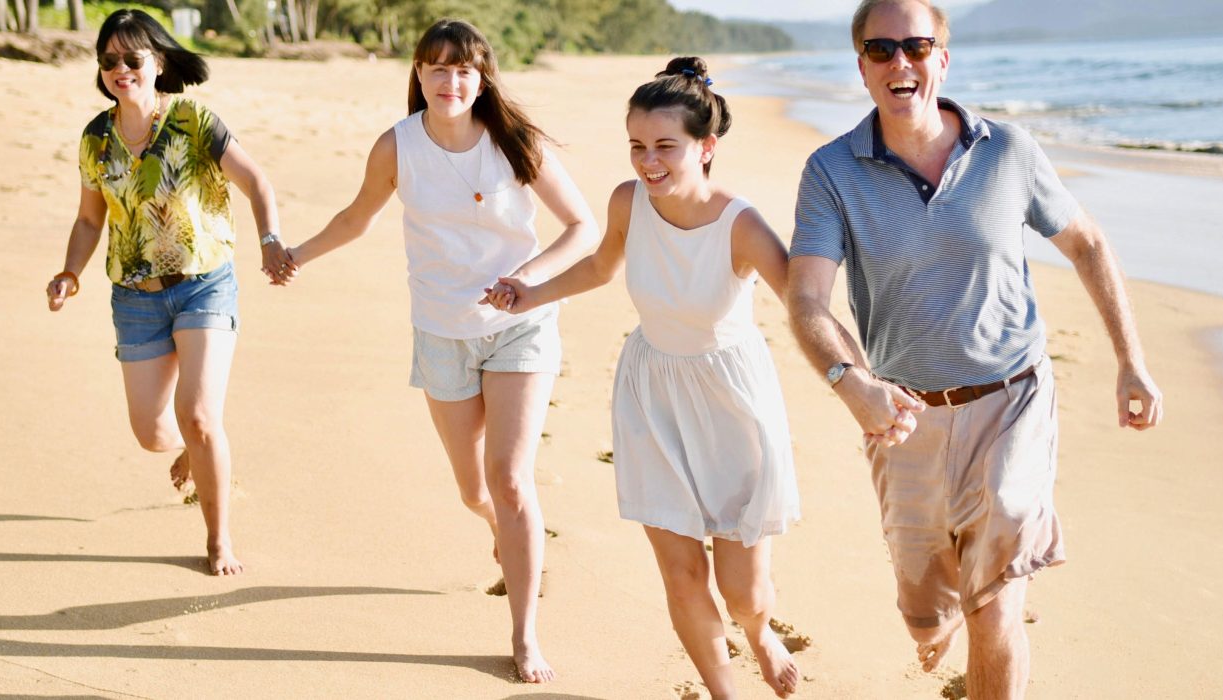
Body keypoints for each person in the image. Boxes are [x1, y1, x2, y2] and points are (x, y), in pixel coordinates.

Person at [786, 1, 1164, 697]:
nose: (901, 62)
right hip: (901, 416)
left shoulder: (1008, 152)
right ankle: (938, 623)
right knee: (925, 614)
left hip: (1011, 399)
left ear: (943, 59)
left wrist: (1130, 360)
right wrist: (851, 381)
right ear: (863, 68)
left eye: (917, 46)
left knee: (996, 602)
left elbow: (1087, 243)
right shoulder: (831, 171)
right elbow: (806, 300)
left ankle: (995, 606)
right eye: (880, 50)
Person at [275, 19, 597, 683]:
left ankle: (524, 633)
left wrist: (527, 281)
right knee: (473, 491)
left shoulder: (514, 142)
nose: (451, 81)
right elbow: (356, 217)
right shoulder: (398, 146)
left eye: (464, 70)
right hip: (441, 330)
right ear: (418, 75)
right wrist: (297, 256)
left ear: (482, 79)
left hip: (519, 325)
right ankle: (501, 531)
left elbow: (581, 225)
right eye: (437, 68)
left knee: (510, 480)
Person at [486, 57, 802, 699]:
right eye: (636, 146)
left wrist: (864, 379)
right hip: (652, 392)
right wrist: (532, 292)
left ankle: (761, 632)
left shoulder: (741, 224)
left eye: (665, 147)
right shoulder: (629, 201)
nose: (647, 161)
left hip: (732, 402)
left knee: (742, 590)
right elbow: (602, 267)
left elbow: (808, 306)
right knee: (682, 574)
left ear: (706, 147)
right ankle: (725, 693)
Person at [45, 9, 290, 576]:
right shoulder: (95, 139)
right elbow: (89, 220)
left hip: (205, 284)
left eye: (133, 58)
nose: (120, 69)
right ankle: (195, 451)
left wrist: (271, 240)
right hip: (134, 297)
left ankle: (219, 537)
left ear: (158, 62)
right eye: (110, 60)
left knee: (200, 417)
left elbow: (256, 182)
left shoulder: (192, 120)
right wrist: (70, 272)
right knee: (154, 433)